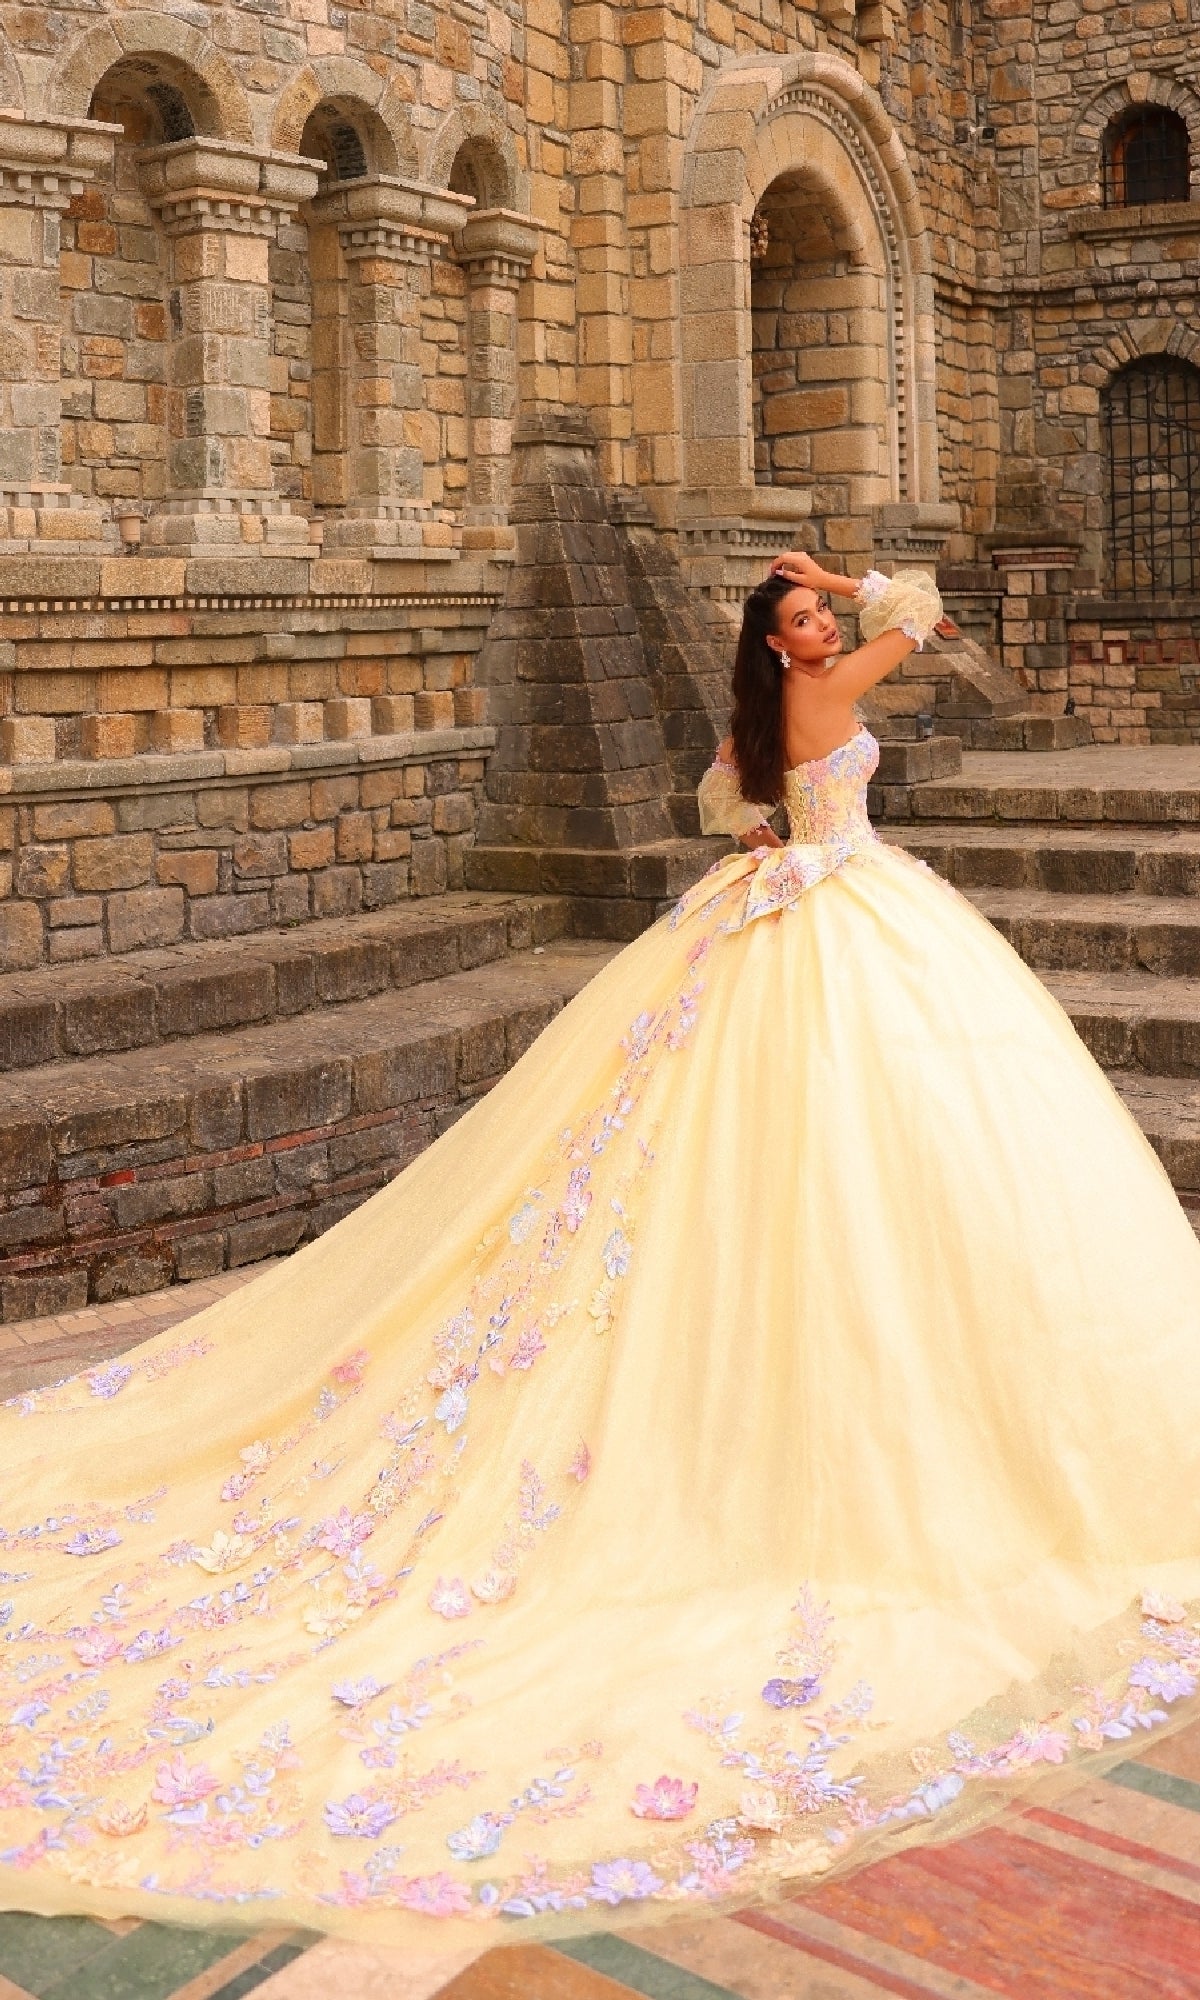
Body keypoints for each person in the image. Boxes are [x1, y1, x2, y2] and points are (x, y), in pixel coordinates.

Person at [2, 555, 1199, 1956]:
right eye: (801, 618)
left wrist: (775, 821)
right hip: (847, 923)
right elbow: (925, 611)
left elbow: (720, 806)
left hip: (801, 914)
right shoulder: (826, 689)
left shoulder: (767, 715)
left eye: (817, 611)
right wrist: (841, 576)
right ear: (780, 645)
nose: (822, 623)